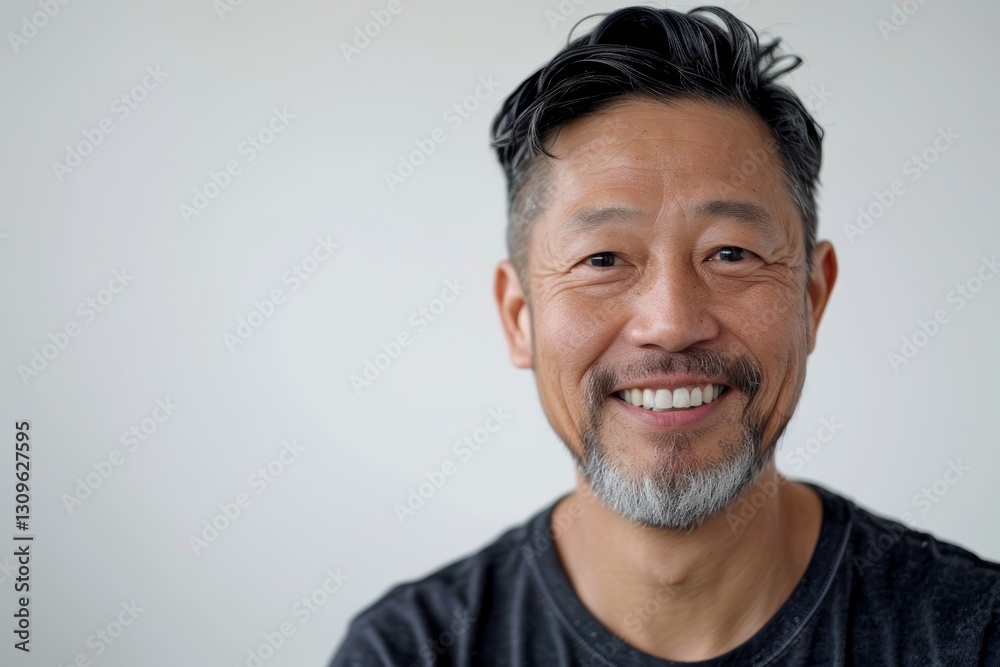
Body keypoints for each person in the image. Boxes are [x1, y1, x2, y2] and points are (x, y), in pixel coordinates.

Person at [329, 6, 1000, 665]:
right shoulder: (408, 651)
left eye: (730, 253)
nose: (671, 323)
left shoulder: (972, 635)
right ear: (518, 316)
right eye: (602, 259)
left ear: (812, 298)